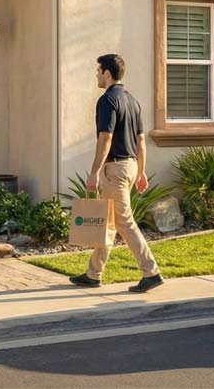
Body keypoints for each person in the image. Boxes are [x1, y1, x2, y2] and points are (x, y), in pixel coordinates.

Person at [70, 54, 164, 293]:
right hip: (130, 166)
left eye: (98, 71)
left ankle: (151, 271)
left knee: (124, 221)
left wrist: (94, 172)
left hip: (115, 169)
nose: (96, 75)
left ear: (107, 73)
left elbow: (106, 137)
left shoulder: (107, 100)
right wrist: (141, 172)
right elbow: (141, 141)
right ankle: (93, 273)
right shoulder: (132, 101)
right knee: (109, 221)